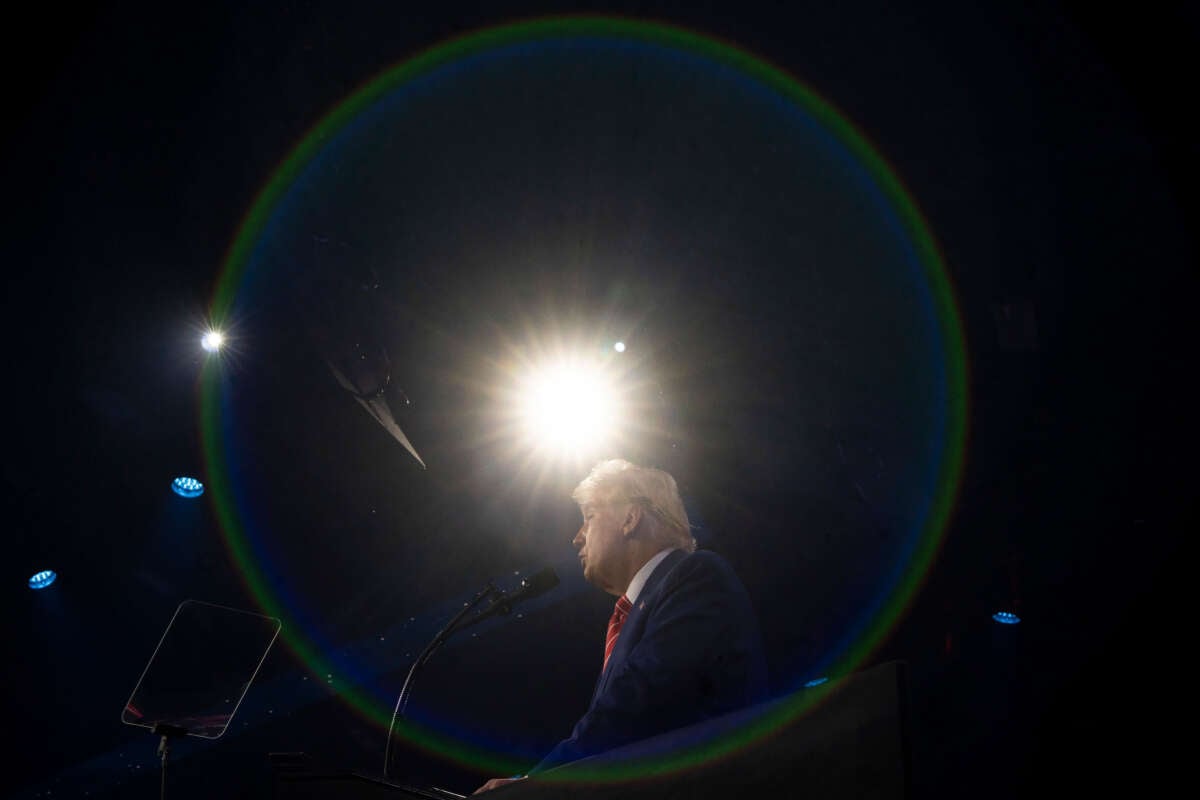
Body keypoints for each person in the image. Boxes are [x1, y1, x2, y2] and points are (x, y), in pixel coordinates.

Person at [474, 459, 767, 794]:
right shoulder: (632, 615)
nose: (576, 538)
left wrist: (533, 787)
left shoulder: (697, 574)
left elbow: (637, 702)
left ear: (630, 518)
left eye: (589, 517)